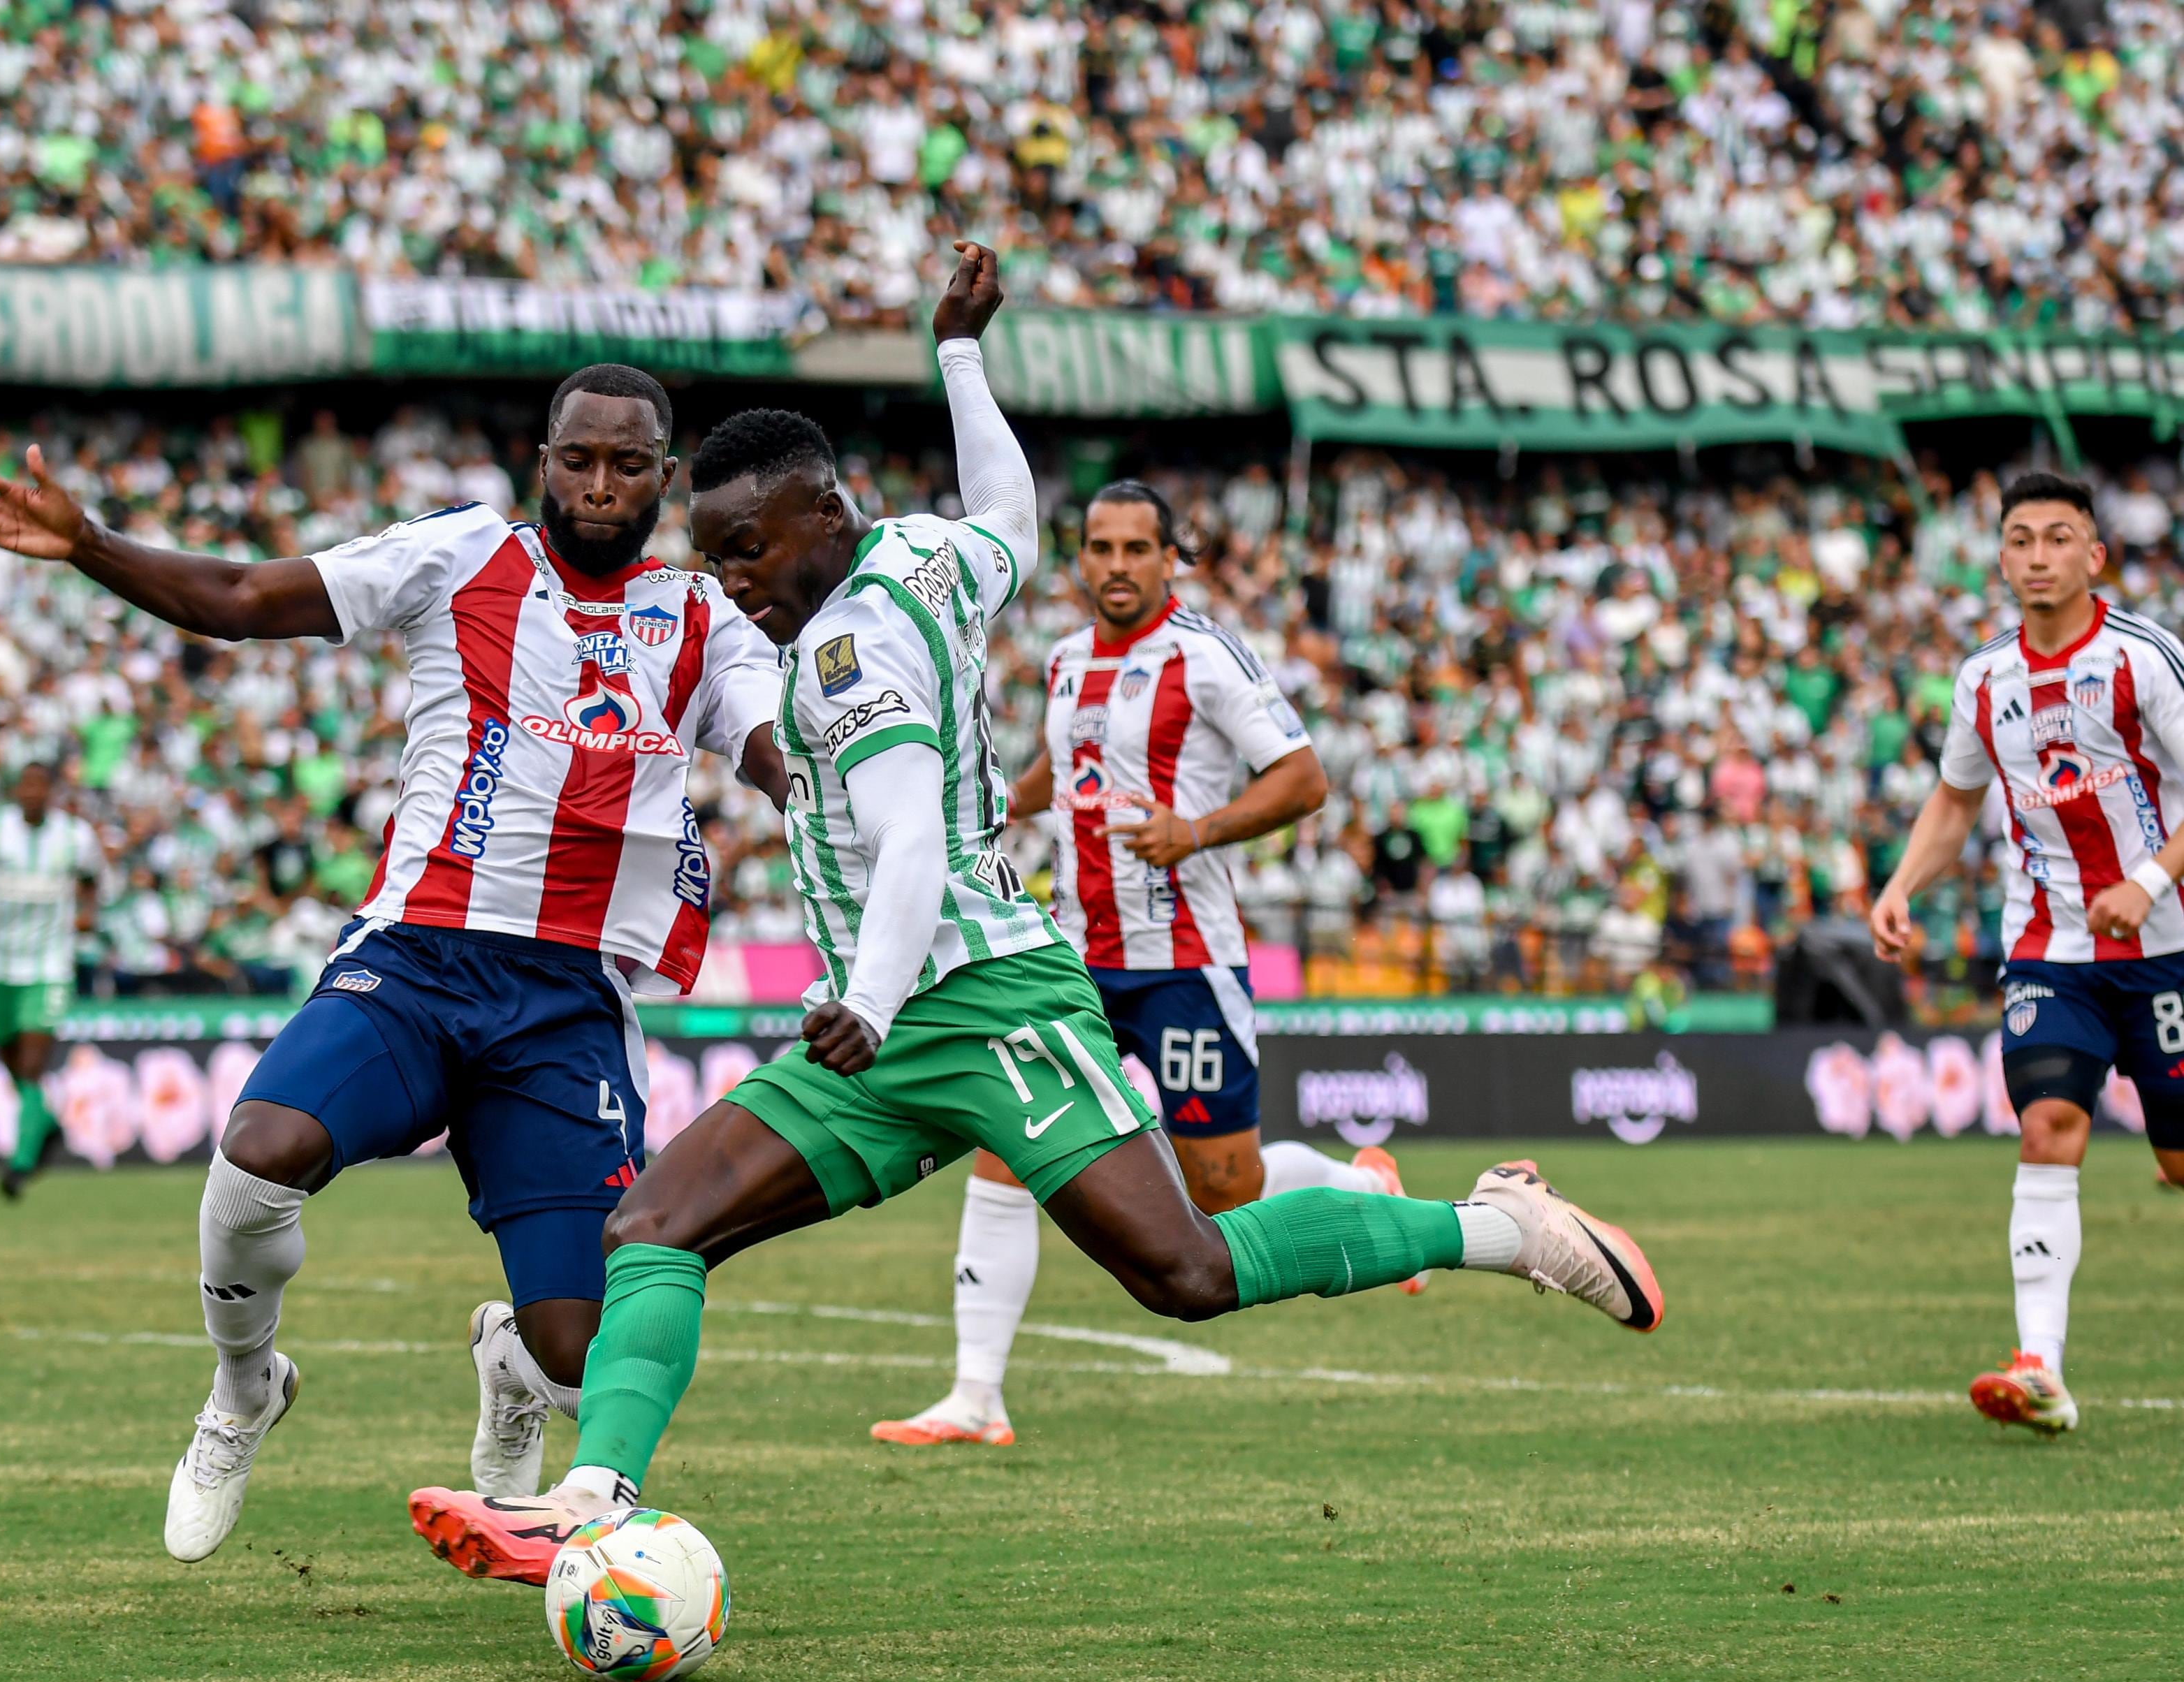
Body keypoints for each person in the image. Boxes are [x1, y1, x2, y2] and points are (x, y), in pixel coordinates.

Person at [406, 244, 1664, 1585]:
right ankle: (592, 1500)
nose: (731, 583)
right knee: (656, 1223)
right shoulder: (927, 552)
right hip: (886, 1023)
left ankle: (1501, 1226)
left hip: (980, 999)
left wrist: (868, 1000)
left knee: (1186, 1268)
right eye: (714, 557)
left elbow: (905, 840)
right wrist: (960, 354)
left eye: (750, 550)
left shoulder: (845, 655)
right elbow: (1010, 507)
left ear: (825, 513)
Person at [0, 367, 786, 1562]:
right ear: (543, 462)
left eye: (629, 464)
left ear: (667, 479)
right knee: (259, 1153)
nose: (601, 485)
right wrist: (90, 544)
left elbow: (771, 746)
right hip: (418, 960)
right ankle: (244, 1387)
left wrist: (832, 788)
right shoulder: (462, 554)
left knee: (583, 1365)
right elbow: (243, 596)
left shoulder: (703, 616)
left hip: (567, 1004)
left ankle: (511, 1361)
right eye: (580, 459)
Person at [871, 478, 1421, 1453]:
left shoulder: (1204, 655)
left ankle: (1361, 1187)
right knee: (1007, 1147)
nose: (1116, 565)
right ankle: (975, 1396)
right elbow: (1058, 770)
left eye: (1136, 548)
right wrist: (993, 808)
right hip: (1067, 960)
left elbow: (1302, 778)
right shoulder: (1065, 659)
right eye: (1100, 547)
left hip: (1183, 964)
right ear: (1081, 558)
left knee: (1223, 1190)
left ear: (1172, 558)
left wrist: (1195, 830)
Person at [1869, 471, 2184, 1436]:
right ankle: (2039, 1365)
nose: (2038, 556)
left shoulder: (2144, 660)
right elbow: (1956, 798)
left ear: (2095, 554)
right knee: (2048, 1124)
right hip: (2049, 949)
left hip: (2168, 944)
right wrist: (1900, 882)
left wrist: (2149, 881)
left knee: (2178, 1159)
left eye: (2056, 538)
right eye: (2019, 539)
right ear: (2001, 558)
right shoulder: (1984, 677)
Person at [0, 762, 101, 1199]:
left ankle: (21, 1164)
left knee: (34, 1065)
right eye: (26, 785)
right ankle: (49, 1126)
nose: (33, 793)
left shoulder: (75, 836)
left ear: (51, 792)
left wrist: (87, 915)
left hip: (49, 965)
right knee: (13, 1063)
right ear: (16, 790)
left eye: (41, 786)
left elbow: (92, 881)